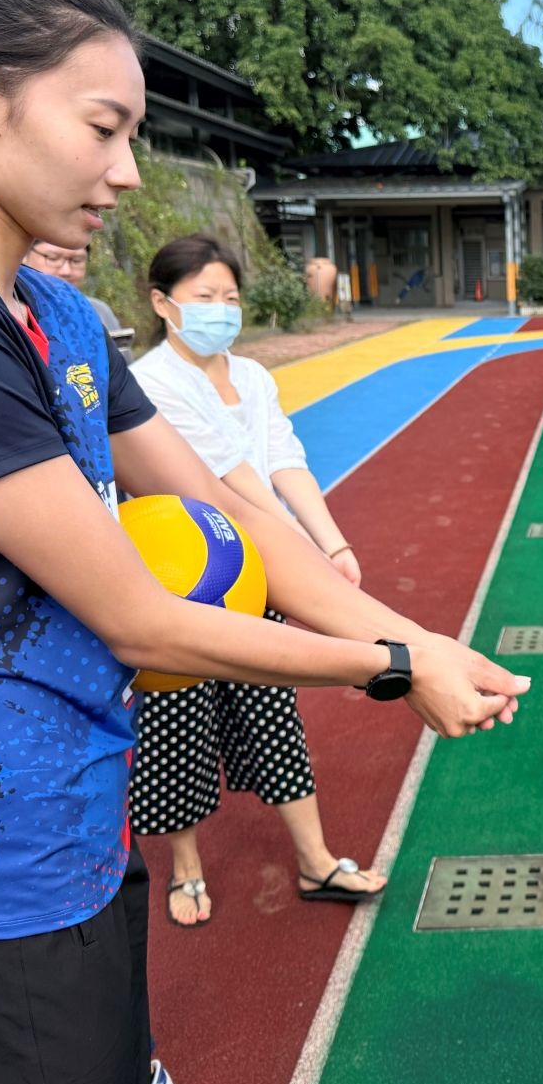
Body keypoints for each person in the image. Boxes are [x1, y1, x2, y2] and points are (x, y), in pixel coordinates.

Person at [0, 0, 523, 1084]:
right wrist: (392, 666)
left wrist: (418, 636)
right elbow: (137, 616)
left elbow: (237, 511)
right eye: (102, 128)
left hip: (79, 826)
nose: (128, 172)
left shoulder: (58, 316)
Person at [129, 234, 381, 924]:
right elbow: (229, 477)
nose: (221, 310)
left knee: (274, 711)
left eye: (230, 297)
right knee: (178, 724)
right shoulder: (149, 383)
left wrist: (333, 544)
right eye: (204, 297)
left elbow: (282, 458)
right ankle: (186, 867)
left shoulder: (253, 377)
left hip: (253, 571)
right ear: (163, 303)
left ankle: (315, 860)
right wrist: (305, 559)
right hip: (182, 576)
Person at [29, 236, 122, 335]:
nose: (66, 271)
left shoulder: (98, 312)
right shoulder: (19, 313)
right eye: (53, 258)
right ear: (24, 256)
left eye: (76, 261)